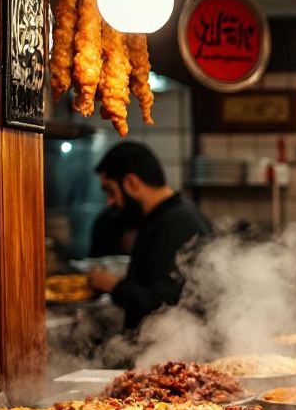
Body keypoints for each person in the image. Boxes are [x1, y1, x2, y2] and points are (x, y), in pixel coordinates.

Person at [87, 141, 212, 329]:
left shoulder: (176, 222)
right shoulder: (166, 216)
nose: (109, 202)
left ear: (131, 183)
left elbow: (165, 303)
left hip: (175, 351)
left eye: (111, 191)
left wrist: (113, 285)